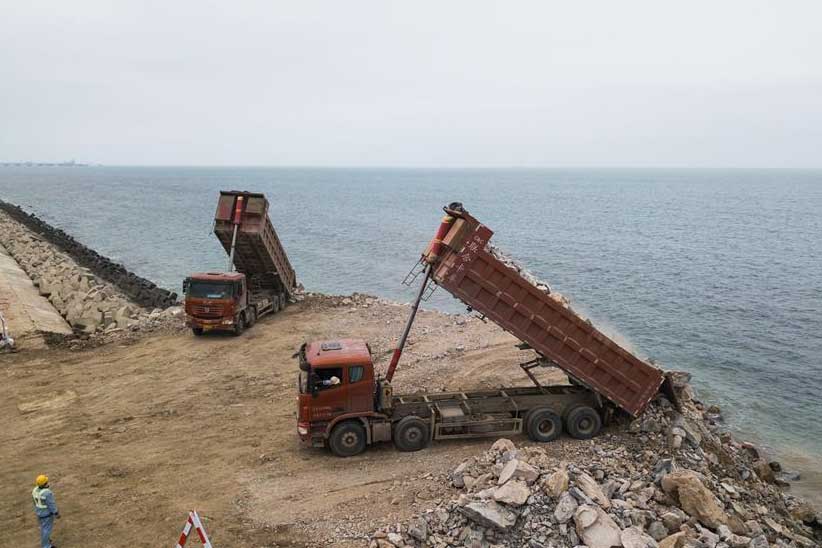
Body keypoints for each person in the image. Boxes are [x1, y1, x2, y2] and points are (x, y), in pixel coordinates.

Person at [32, 474, 59, 548]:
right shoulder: (47, 493)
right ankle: (46, 546)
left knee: (43, 528)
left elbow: (34, 502)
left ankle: (46, 540)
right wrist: (56, 512)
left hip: (39, 513)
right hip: (46, 514)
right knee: (46, 530)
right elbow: (51, 504)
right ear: (45, 484)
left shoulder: (35, 490)